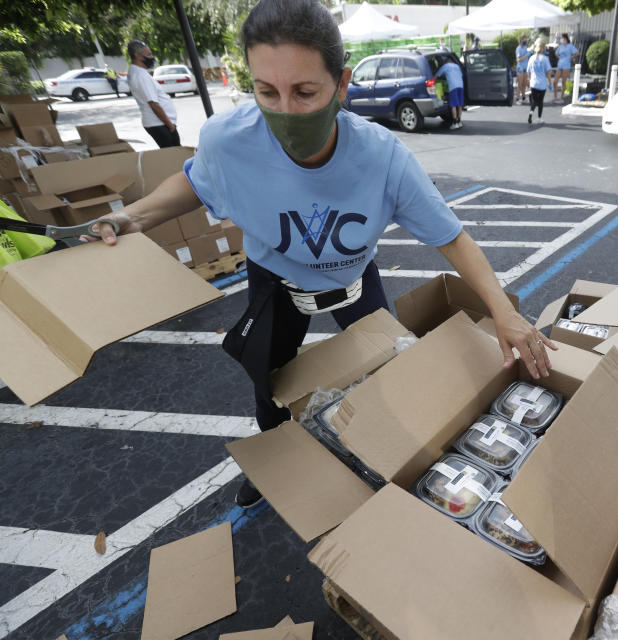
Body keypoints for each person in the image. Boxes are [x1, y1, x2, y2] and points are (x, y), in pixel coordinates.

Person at [89, 0, 556, 509]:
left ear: (341, 84)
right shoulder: (229, 141)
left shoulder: (383, 157)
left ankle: (387, 459)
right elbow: (197, 182)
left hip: (354, 276)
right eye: (267, 91)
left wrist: (505, 312)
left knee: (386, 371)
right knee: (267, 380)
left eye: (304, 91)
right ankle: (276, 463)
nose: (284, 112)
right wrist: (129, 218)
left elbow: (452, 237)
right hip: (274, 279)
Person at [126, 40, 180, 148]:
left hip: (159, 124)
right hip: (159, 124)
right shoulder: (140, 75)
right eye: (149, 54)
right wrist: (170, 126)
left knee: (174, 154)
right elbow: (154, 104)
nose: (152, 57)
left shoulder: (137, 72)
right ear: (137, 55)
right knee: (174, 155)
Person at [526, 39, 552, 125]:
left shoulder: (531, 58)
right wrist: (550, 83)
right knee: (540, 102)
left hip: (533, 83)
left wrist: (529, 80)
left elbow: (528, 71)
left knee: (534, 101)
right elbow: (548, 73)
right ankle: (539, 118)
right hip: (542, 84)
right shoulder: (545, 59)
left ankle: (531, 113)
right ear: (543, 48)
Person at [436, 60, 464, 130]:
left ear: (444, 62)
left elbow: (436, 76)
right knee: (459, 105)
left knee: (453, 105)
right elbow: (461, 75)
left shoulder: (444, 66)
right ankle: (459, 121)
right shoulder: (457, 66)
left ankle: (454, 123)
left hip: (453, 87)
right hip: (460, 85)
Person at [553, 34, 579, 101]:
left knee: (563, 81)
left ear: (566, 39)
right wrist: (559, 57)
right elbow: (556, 53)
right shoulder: (560, 46)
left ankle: (562, 97)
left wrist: (571, 57)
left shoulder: (570, 46)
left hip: (566, 65)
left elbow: (577, 53)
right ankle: (555, 97)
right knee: (555, 81)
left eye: (563, 38)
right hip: (560, 65)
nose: (562, 40)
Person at [514, 36, 530, 105]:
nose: (525, 41)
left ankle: (524, 97)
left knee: (524, 84)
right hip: (520, 68)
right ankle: (517, 99)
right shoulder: (518, 48)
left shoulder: (526, 47)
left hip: (525, 68)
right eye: (524, 40)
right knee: (520, 84)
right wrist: (526, 56)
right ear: (521, 40)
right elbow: (518, 59)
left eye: (526, 40)